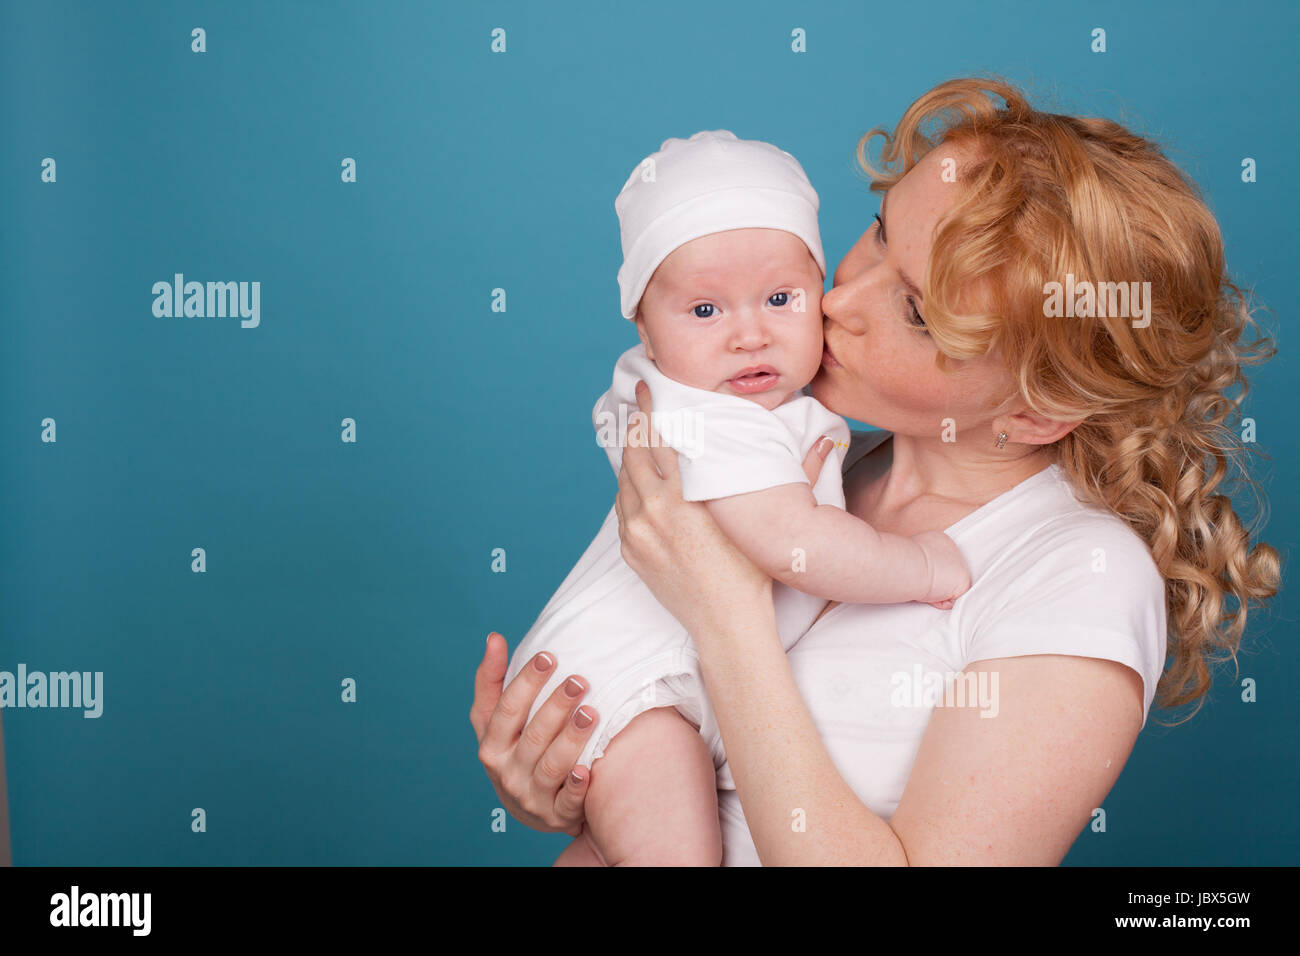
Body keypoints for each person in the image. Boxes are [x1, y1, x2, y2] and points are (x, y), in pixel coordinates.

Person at [470, 75, 1281, 865]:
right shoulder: (810, 459)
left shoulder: (1080, 576)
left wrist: (728, 619)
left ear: (1037, 409)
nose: (837, 299)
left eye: (917, 312)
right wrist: (565, 771)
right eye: (880, 233)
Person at [503, 130, 970, 866]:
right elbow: (801, 544)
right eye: (704, 312)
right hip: (628, 697)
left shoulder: (716, 396)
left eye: (781, 298)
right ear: (644, 326)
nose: (750, 335)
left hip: (650, 699)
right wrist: (923, 568)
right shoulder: (706, 418)